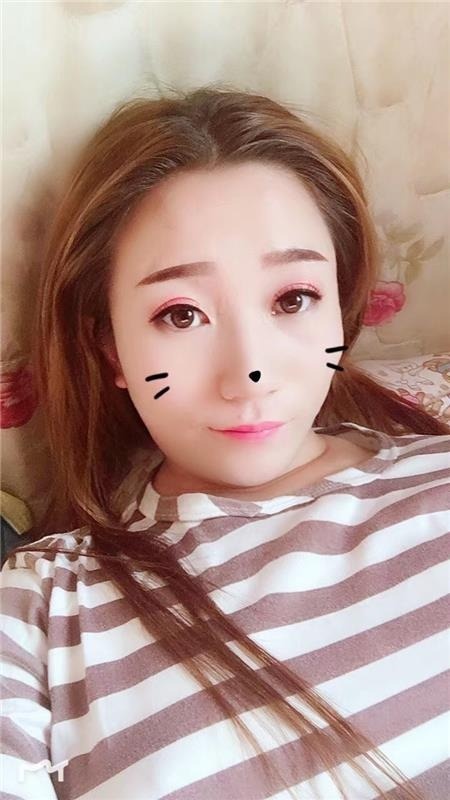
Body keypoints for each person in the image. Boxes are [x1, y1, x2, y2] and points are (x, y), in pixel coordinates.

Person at [1, 83, 449, 800]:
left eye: (293, 299)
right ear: (110, 348)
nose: (249, 374)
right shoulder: (41, 607)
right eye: (180, 314)